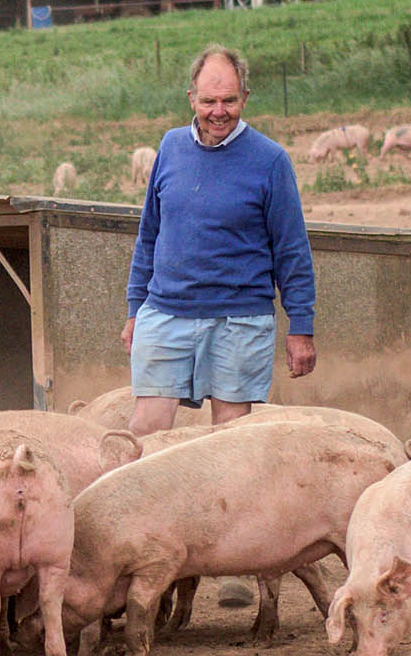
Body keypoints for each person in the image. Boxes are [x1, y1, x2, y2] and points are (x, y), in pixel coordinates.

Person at [123, 44, 316, 441]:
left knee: (229, 438)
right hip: (167, 311)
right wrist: (134, 309)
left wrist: (302, 327)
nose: (218, 112)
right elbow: (149, 235)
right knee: (145, 429)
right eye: (208, 101)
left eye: (229, 100)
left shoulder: (270, 160)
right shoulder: (171, 147)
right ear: (191, 98)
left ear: (244, 98)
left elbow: (292, 250)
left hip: (239, 319)